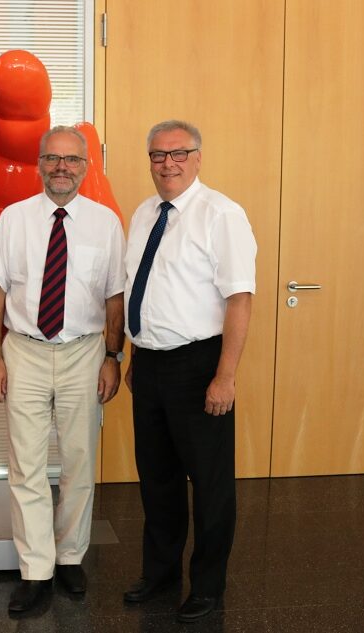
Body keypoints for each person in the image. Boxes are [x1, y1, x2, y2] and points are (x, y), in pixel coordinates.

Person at [0, 125, 126, 614]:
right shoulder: (14, 220)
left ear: (86, 167)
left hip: (85, 352)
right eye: (52, 159)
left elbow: (113, 297)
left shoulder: (105, 223)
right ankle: (36, 570)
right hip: (24, 350)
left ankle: (69, 558)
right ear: (39, 164)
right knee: (26, 465)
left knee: (80, 462)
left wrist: (112, 356)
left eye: (72, 160)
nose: (62, 167)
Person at [121, 120, 256, 623]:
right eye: (158, 155)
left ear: (198, 157)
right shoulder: (144, 213)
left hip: (201, 365)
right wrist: (137, 356)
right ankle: (160, 574)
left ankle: (208, 587)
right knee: (157, 479)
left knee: (211, 483)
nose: (168, 163)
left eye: (178, 153)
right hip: (150, 366)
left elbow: (240, 298)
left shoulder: (221, 214)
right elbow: (146, 290)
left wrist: (225, 376)